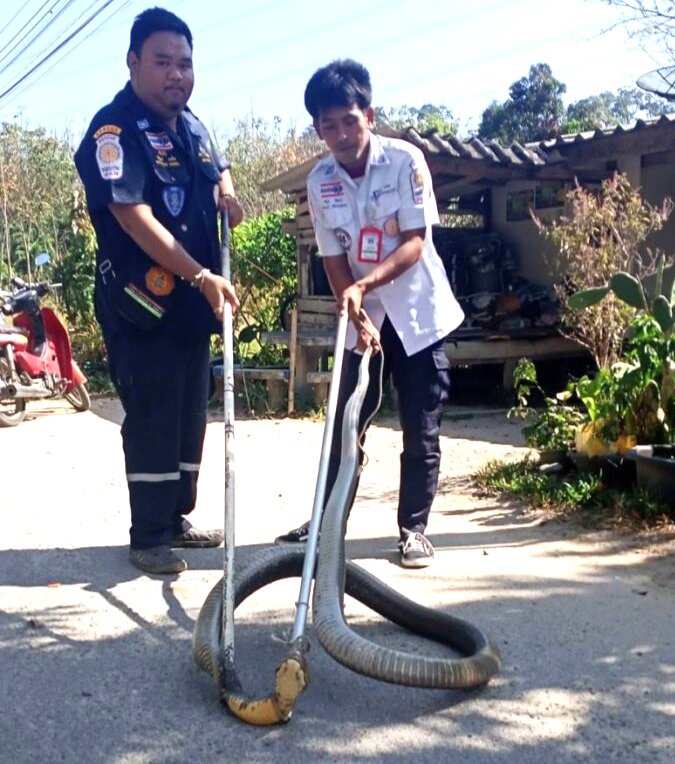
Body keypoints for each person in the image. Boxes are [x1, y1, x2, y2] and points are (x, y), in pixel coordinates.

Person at [275, 59, 464, 568]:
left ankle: (414, 530)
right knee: (344, 424)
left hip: (417, 315)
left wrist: (362, 285)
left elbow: (414, 243)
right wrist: (352, 309)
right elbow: (333, 258)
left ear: (370, 115)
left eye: (348, 121)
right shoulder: (320, 182)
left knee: (420, 426)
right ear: (318, 129)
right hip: (361, 319)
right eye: (327, 125)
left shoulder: (406, 162)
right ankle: (326, 523)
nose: (340, 134)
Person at [75, 7, 243, 575]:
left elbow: (217, 166)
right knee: (153, 414)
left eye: (185, 64)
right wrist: (199, 274)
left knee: (189, 414)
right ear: (134, 63)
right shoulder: (113, 130)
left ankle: (175, 519)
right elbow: (132, 216)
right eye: (163, 62)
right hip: (141, 306)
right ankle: (147, 536)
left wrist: (228, 190)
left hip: (193, 309)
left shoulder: (192, 124)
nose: (177, 74)